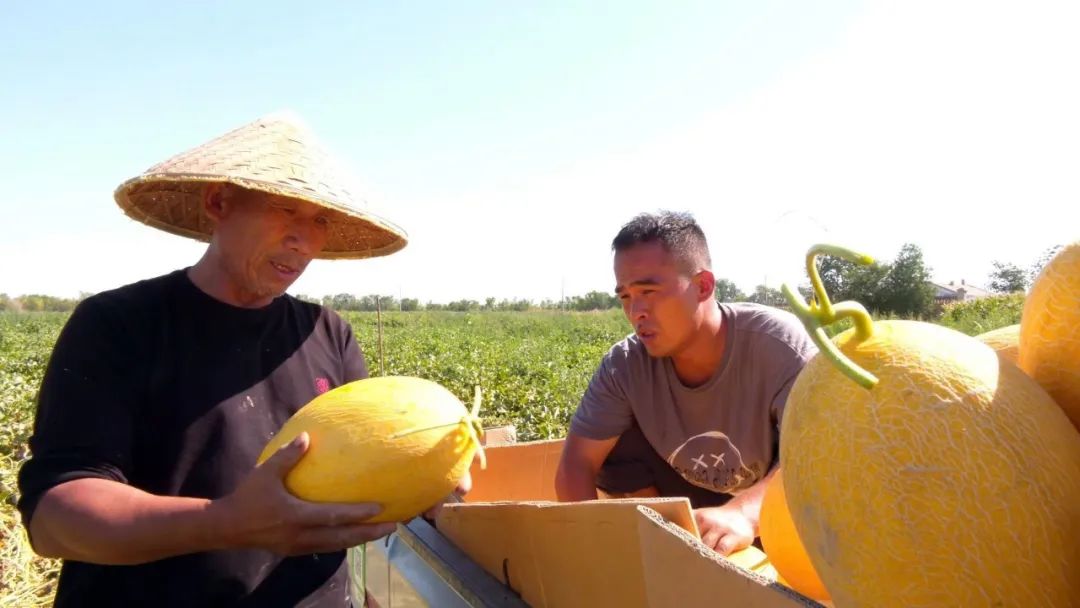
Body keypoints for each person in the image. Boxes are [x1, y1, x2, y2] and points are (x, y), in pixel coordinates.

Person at [16, 111, 456, 607]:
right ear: (219, 202)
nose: (305, 241)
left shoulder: (327, 332)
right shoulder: (118, 325)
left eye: (320, 221)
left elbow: (372, 472)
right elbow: (56, 518)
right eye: (285, 209)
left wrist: (432, 476)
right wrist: (225, 523)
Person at [554, 211, 818, 557]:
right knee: (608, 444)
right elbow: (576, 465)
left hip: (775, 509)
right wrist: (598, 553)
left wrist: (744, 514)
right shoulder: (624, 365)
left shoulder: (779, 346)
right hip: (690, 499)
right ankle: (668, 537)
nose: (636, 312)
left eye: (649, 291)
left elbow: (818, 458)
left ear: (703, 286)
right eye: (626, 297)